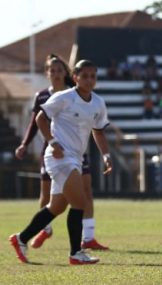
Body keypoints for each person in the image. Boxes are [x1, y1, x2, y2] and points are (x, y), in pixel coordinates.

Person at [9, 59, 112, 265]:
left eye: (93, 76)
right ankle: (76, 253)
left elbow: (98, 131)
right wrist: (53, 142)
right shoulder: (64, 97)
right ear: (75, 77)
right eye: (85, 76)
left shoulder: (98, 102)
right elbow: (40, 118)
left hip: (76, 157)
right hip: (59, 157)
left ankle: (21, 239)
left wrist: (106, 155)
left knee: (56, 207)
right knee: (80, 202)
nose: (89, 80)